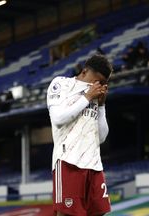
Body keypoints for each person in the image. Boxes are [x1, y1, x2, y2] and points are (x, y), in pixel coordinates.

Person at [47, 54, 112, 216]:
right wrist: (87, 96)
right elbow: (58, 118)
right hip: (69, 161)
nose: (96, 85)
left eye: (102, 83)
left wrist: (102, 105)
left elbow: (101, 137)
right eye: (95, 80)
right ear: (84, 72)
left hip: (94, 165)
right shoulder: (61, 84)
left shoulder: (95, 95)